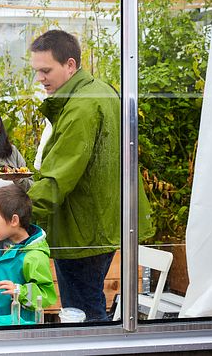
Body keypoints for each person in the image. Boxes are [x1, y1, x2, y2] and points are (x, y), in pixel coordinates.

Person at [26, 30, 153, 321]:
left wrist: (18, 213)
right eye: (37, 71)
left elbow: (60, 177)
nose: (40, 79)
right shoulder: (101, 91)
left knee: (82, 316)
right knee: (92, 306)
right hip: (101, 222)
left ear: (70, 65)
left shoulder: (81, 107)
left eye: (46, 70)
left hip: (81, 229)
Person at [0, 185, 56, 322]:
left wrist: (19, 291)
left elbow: (45, 294)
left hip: (17, 326)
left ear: (14, 220)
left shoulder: (33, 255)